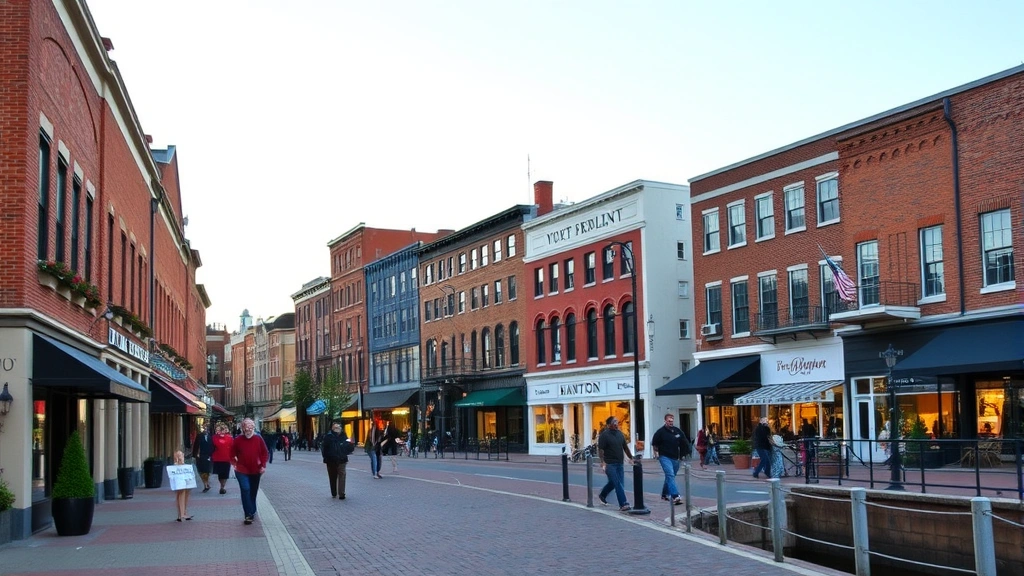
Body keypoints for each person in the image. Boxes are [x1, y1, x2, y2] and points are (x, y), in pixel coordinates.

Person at [232, 418, 269, 525]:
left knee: (253, 491)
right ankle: (248, 514)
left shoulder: (258, 439)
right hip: (241, 470)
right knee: (245, 489)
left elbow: (264, 453)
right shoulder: (238, 440)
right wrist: (234, 463)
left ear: (253, 427)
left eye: (250, 427)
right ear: (242, 428)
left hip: (255, 470)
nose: (248, 430)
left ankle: (252, 510)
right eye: (246, 427)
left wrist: (263, 465)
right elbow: (232, 453)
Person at [597, 416, 634, 511]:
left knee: (616, 483)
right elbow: (601, 450)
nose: (616, 424)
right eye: (614, 422)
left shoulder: (620, 434)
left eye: (617, 422)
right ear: (609, 424)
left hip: (619, 463)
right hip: (610, 464)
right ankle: (623, 504)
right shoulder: (604, 436)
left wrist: (631, 458)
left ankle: (602, 495)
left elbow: (625, 447)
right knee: (618, 484)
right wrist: (602, 462)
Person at [650, 413, 687, 505]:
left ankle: (664, 494)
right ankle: (675, 496)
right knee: (670, 475)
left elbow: (684, 442)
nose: (671, 422)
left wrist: (683, 454)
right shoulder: (660, 432)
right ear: (665, 421)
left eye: (672, 420)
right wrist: (657, 454)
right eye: (669, 420)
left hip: (675, 457)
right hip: (664, 457)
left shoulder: (677, 431)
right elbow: (654, 444)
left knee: (670, 476)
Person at [321, 421, 356, 499]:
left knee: (342, 475)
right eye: (336, 427)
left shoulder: (344, 436)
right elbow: (324, 449)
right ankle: (334, 492)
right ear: (332, 428)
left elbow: (349, 448)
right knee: (332, 477)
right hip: (331, 460)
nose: (337, 429)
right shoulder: (328, 437)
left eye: (339, 427)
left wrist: (351, 445)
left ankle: (341, 493)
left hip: (342, 459)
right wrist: (326, 458)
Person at [211, 421, 234, 495]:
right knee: (220, 474)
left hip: (227, 458)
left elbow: (233, 448)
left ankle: (222, 487)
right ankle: (222, 485)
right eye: (219, 430)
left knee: (225, 474)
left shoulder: (230, 438)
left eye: (223, 429)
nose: (221, 431)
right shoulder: (214, 438)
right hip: (217, 458)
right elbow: (211, 448)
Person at [191, 424, 215, 493]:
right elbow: (196, 445)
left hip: (208, 456)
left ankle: (206, 483)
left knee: (207, 471)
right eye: (203, 428)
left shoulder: (211, 437)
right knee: (201, 471)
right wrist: (194, 456)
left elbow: (213, 447)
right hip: (200, 456)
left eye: (206, 428)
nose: (205, 429)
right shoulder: (199, 436)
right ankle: (205, 485)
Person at [172, 449, 193, 521]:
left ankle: (182, 513)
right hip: (180, 480)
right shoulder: (176, 466)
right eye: (181, 456)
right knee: (181, 495)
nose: (182, 457)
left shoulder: (184, 466)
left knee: (184, 495)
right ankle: (181, 514)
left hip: (185, 480)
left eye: (182, 456)